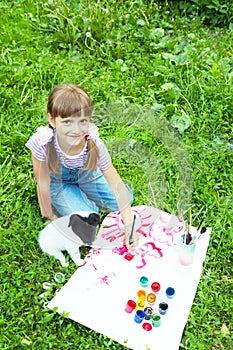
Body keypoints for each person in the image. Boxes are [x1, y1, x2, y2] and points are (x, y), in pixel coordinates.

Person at [26, 83, 134, 243]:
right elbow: (42, 181)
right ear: (52, 120)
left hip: (87, 176)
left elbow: (114, 180)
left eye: (82, 121)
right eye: (67, 122)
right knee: (89, 219)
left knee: (126, 199)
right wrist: (48, 213)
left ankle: (83, 193)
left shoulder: (94, 143)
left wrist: (129, 226)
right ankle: (76, 200)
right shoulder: (42, 142)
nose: (76, 130)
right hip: (58, 182)